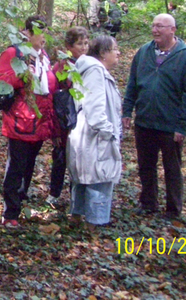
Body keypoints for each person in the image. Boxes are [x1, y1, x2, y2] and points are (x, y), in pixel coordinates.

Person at [122, 13, 186, 219]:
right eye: (153, 25)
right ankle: (148, 203)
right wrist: (127, 110)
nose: (155, 30)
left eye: (160, 26)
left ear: (172, 29)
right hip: (145, 121)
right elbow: (132, 83)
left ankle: (173, 209)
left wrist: (182, 125)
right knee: (146, 165)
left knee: (172, 168)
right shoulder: (144, 52)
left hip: (169, 124)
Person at [0, 16, 59, 227]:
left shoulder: (44, 56)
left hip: (39, 122)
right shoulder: (14, 54)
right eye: (39, 32)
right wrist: (22, 76)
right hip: (20, 122)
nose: (44, 37)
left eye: (46, 32)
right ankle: (10, 214)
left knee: (28, 166)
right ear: (28, 33)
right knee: (16, 167)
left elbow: (50, 87)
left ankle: (20, 201)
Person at [67, 35, 122, 228]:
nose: (118, 53)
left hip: (85, 134)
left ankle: (78, 216)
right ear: (103, 53)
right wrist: (109, 132)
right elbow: (95, 107)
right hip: (95, 136)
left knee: (85, 175)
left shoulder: (88, 69)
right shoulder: (95, 71)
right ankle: (95, 223)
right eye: (114, 49)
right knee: (99, 177)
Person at [46, 26, 89, 205]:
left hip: (83, 120)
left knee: (80, 159)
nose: (84, 47)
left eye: (86, 43)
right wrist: (54, 130)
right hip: (64, 122)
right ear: (69, 46)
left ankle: (76, 198)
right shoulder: (61, 66)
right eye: (80, 44)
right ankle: (54, 193)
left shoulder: (90, 64)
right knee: (61, 157)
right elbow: (54, 100)